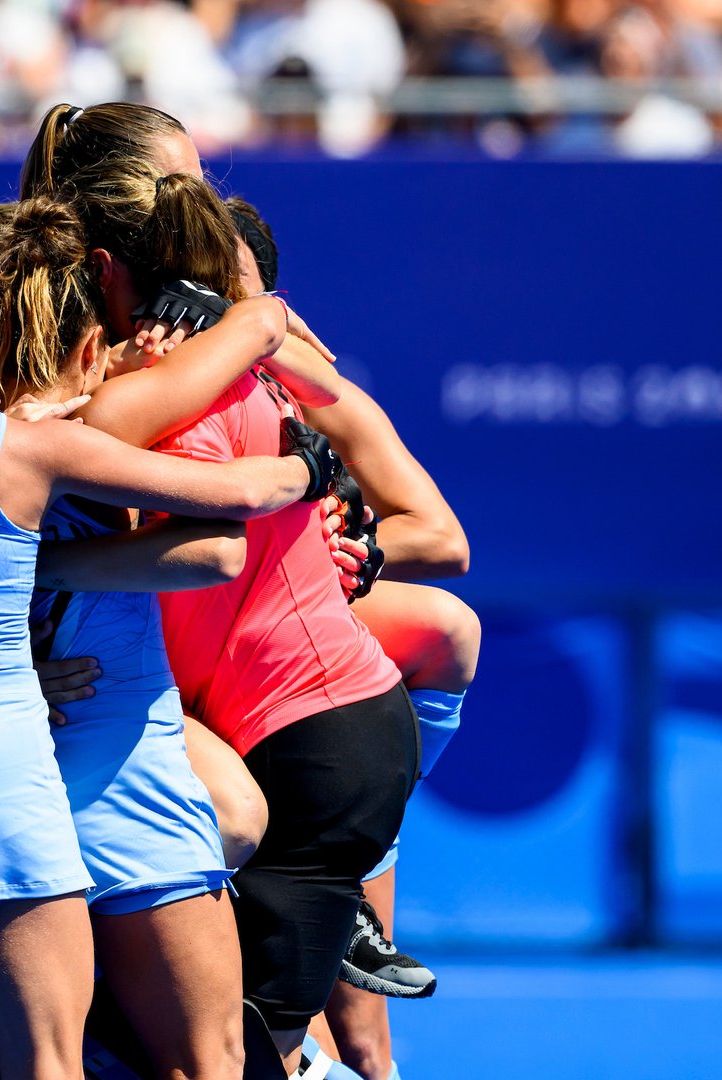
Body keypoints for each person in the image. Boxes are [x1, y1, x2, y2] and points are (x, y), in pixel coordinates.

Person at [0, 228, 342, 1080]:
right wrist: (306, 474)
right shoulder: (34, 444)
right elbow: (231, 512)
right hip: (1, 768)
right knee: (53, 1059)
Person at [22, 100, 420, 1077]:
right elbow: (183, 501)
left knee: (252, 1048)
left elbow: (228, 535)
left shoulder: (215, 354)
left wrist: (261, 355)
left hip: (294, 733)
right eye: (185, 184)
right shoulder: (150, 355)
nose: (202, 202)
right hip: (195, 721)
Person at [227, 195, 480, 1080]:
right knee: (296, 1040)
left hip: (300, 671)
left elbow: (442, 541)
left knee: (369, 1045)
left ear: (270, 301)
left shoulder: (300, 375)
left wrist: (358, 550)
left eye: (233, 293)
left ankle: (357, 842)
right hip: (205, 669)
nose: (210, 312)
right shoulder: (140, 378)